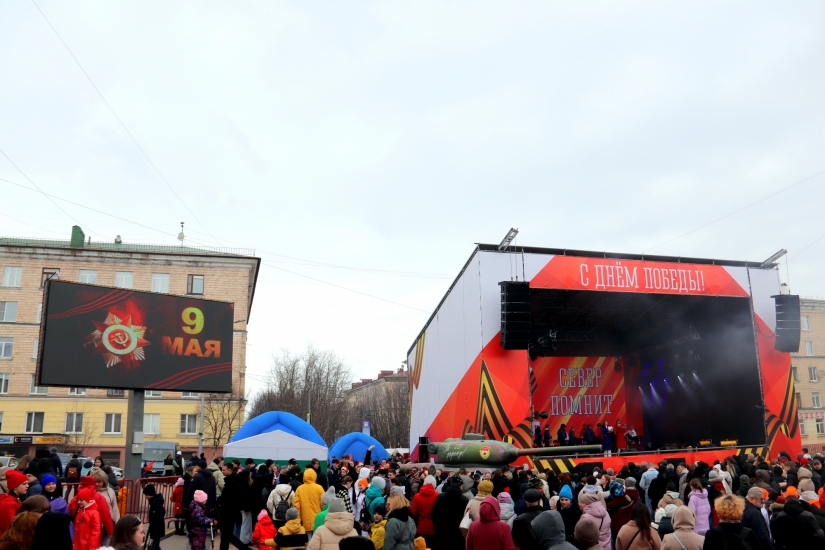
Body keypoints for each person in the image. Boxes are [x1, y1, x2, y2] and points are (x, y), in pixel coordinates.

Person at [432, 474, 469, 549]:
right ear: (460, 485)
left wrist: (438, 529)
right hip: (458, 534)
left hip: (443, 533)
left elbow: (434, 514)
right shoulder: (464, 499)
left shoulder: (441, 497)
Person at [294, 466, 325, 538]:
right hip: (318, 520)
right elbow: (323, 504)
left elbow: (296, 506)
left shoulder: (299, 489)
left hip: (305, 521)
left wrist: (298, 520)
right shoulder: (319, 488)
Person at [410, 475, 437, 548]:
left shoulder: (417, 496)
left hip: (420, 528)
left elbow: (413, 512)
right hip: (434, 528)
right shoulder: (437, 496)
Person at [0, 470, 28, 536]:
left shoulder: (16, 499)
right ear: (15, 487)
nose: (27, 486)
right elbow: (10, 526)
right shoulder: (9, 503)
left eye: (27, 483)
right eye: (24, 484)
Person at [141, 484, 165, 550]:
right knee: (155, 545)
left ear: (149, 494)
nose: (145, 497)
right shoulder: (155, 501)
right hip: (156, 528)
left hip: (156, 528)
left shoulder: (155, 503)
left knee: (153, 546)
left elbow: (160, 514)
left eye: (146, 495)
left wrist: (153, 524)